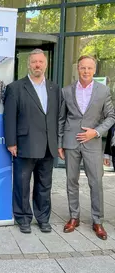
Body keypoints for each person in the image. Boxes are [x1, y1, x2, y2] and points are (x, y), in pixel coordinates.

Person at [58, 55, 115, 240]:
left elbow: (111, 117)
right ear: (78, 69)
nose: (86, 71)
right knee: (71, 181)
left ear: (94, 70)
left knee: (96, 182)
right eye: (83, 68)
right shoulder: (66, 91)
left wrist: (96, 132)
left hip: (93, 142)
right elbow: (61, 119)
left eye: (89, 68)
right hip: (71, 142)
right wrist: (60, 143)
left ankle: (97, 221)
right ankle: (74, 217)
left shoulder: (103, 91)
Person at [3, 49, 60, 234]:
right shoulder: (16, 88)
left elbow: (57, 117)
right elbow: (9, 117)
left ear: (46, 64)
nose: (37, 65)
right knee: (22, 184)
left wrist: (58, 143)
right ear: (29, 64)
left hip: (47, 146)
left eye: (41, 62)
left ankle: (43, 218)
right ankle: (23, 218)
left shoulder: (54, 88)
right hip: (24, 144)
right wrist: (11, 142)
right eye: (34, 62)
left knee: (44, 185)